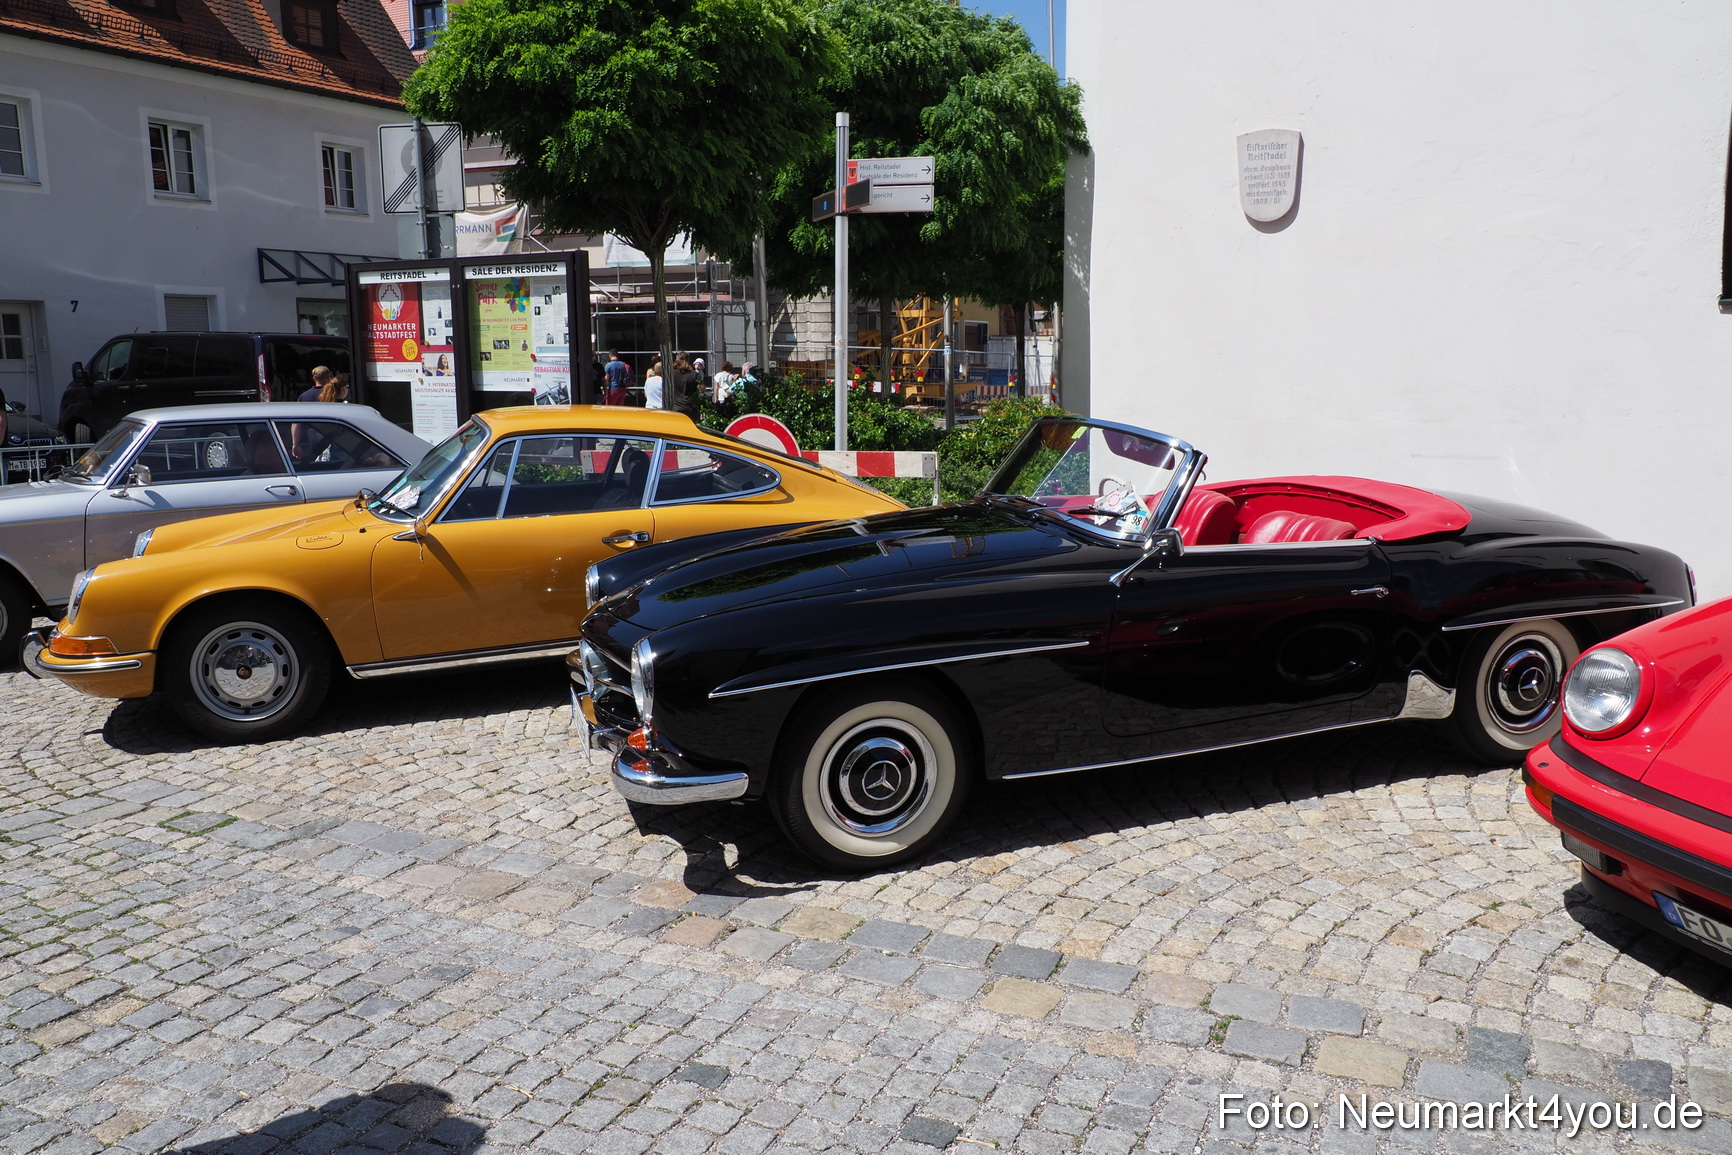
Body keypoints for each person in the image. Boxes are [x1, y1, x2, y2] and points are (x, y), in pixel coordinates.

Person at [669, 355, 699, 419]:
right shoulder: (693, 374)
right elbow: (701, 388)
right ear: (688, 360)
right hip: (689, 407)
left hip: (675, 407)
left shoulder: (671, 373)